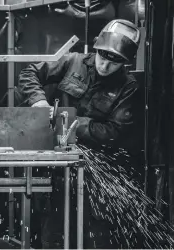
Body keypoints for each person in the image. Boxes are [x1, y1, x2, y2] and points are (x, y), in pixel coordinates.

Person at [18, 19, 143, 248]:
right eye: (102, 57)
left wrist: (68, 120)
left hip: (96, 172)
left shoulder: (128, 87)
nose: (105, 66)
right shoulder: (73, 62)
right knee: (52, 230)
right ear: (96, 48)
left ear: (125, 62)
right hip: (56, 164)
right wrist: (39, 103)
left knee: (94, 235)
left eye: (114, 62)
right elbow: (29, 73)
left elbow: (113, 133)